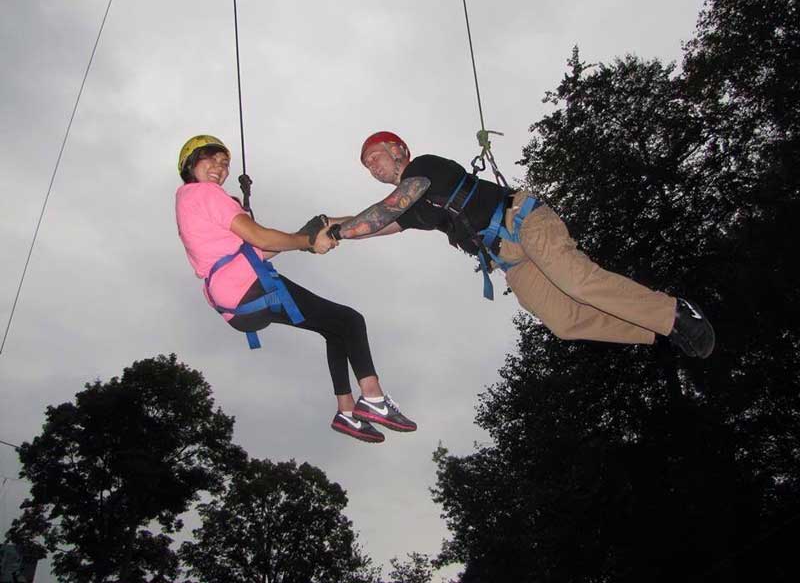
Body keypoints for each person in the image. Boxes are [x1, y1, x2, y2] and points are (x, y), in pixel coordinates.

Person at [323, 131, 715, 358]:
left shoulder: (422, 168)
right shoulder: (411, 212)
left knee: (578, 282)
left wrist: (341, 232)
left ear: (399, 150)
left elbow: (383, 212)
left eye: (375, 157)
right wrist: (323, 227)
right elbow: (376, 225)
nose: (372, 167)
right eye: (367, 165)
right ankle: (656, 327)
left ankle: (673, 311)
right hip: (510, 258)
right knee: (565, 322)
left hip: (523, 222)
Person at [174, 134, 417, 443]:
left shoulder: (190, 201)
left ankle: (346, 411)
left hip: (236, 303)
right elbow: (262, 239)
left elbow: (261, 250)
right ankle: (373, 398)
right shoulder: (205, 194)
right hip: (248, 288)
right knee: (350, 321)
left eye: (224, 164)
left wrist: (306, 236)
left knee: (334, 328)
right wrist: (307, 243)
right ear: (190, 163)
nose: (219, 168)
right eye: (211, 159)